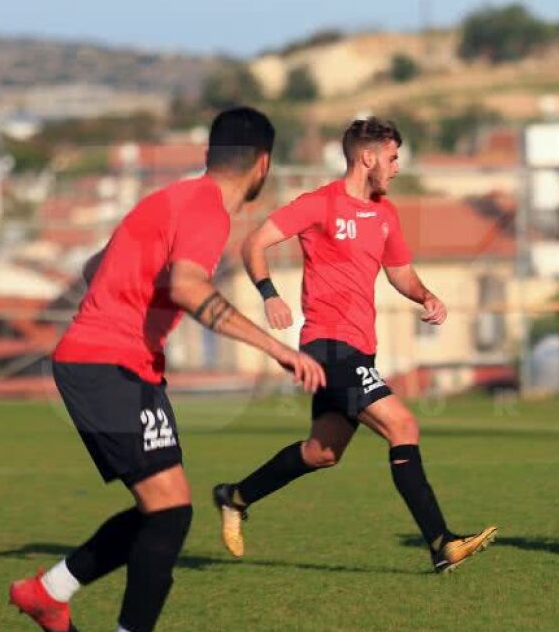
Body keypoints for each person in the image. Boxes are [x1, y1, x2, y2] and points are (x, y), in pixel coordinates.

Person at [8, 107, 325, 632]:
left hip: (120, 365)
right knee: (172, 511)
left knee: (164, 509)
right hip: (108, 365)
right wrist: (276, 349)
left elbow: (92, 266)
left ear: (209, 154)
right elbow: (186, 287)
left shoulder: (172, 201)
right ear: (263, 165)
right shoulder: (207, 210)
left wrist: (131, 289)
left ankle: (48, 592)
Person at [211, 117, 496, 574]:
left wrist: (426, 295)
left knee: (322, 452)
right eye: (393, 156)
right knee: (403, 426)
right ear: (368, 157)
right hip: (327, 347)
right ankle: (442, 542)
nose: (397, 166)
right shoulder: (320, 204)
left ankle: (234, 496)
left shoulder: (386, 213)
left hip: (359, 350)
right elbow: (254, 243)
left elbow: (399, 272)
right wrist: (270, 295)